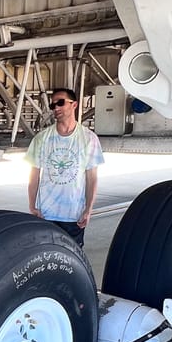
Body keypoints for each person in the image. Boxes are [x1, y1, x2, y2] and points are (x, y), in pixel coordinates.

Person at [25, 87, 103, 247]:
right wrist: (32, 206)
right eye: (53, 105)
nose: (56, 108)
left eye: (60, 103)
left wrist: (88, 209)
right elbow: (34, 176)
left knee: (73, 260)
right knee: (45, 258)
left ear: (74, 105)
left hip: (73, 216)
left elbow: (92, 178)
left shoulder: (88, 139)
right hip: (46, 214)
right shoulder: (42, 139)